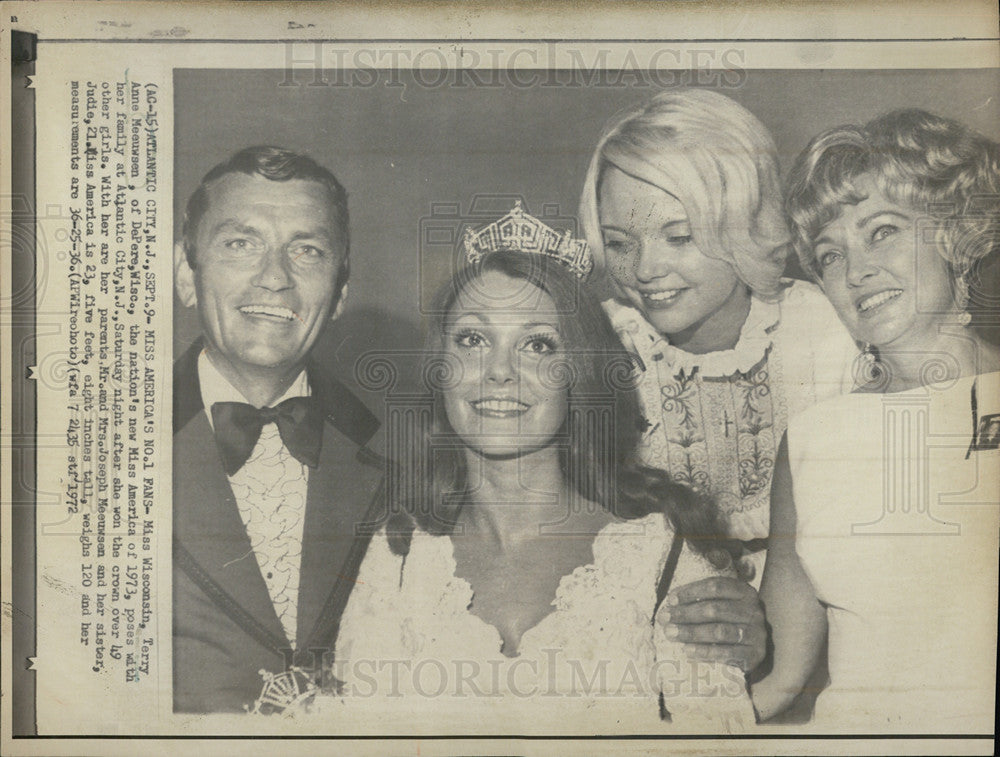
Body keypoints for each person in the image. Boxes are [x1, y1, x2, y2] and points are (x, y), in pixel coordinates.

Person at [329, 208, 764, 729]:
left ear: (578, 373)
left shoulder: (660, 554)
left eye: (537, 345)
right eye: (472, 339)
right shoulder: (398, 555)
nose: (498, 371)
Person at [751, 109, 1000, 729]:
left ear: (957, 233)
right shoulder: (813, 440)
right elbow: (778, 674)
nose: (854, 271)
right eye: (830, 256)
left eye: (881, 231)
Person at [578, 89, 858, 591]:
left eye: (679, 237)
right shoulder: (598, 345)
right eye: (620, 243)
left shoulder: (826, 330)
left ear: (747, 224)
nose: (645, 270)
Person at [172, 146, 384, 713]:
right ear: (185, 275)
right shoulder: (102, 448)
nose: (274, 278)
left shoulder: (399, 460)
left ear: (339, 294)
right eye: (241, 244)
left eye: (307, 251)